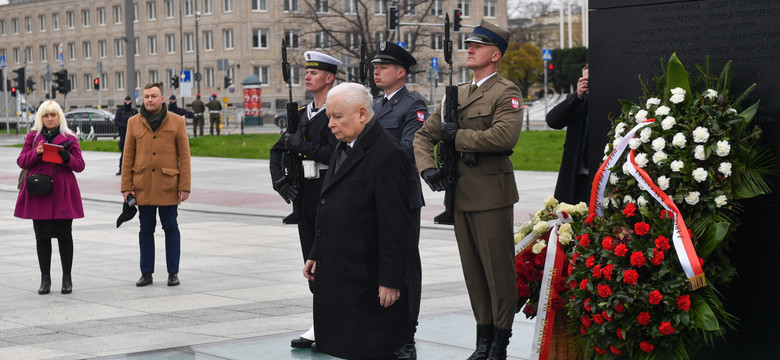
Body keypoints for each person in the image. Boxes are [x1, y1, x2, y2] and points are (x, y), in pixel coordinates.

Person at [413, 19, 523, 360]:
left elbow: (504, 136)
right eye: (469, 44)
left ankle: (499, 343)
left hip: (491, 195)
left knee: (497, 272)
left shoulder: (506, 92)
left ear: (496, 54)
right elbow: (423, 135)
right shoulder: (458, 93)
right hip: (459, 195)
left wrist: (456, 137)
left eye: (478, 46)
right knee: (474, 274)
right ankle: (482, 341)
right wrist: (428, 168)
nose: (469, 49)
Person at [304, 82, 411, 360]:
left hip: (366, 279)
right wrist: (316, 252)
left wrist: (391, 279)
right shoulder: (346, 144)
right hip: (338, 271)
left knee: (367, 349)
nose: (330, 124)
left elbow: (396, 225)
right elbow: (330, 204)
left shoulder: (387, 154)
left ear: (362, 114)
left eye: (337, 117)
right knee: (339, 347)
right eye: (329, 116)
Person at [269, 50, 341, 350]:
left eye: (314, 72)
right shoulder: (300, 115)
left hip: (329, 191)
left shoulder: (336, 113)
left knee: (329, 259)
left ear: (329, 78)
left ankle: (335, 323)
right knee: (309, 261)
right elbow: (278, 150)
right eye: (306, 71)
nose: (307, 76)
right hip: (304, 196)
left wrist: (302, 146)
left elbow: (336, 154)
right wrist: (280, 181)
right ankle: (320, 322)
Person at [371, 40, 427, 360]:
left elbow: (410, 150)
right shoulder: (375, 105)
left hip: (401, 197)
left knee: (404, 264)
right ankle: (384, 327)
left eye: (384, 66)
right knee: (379, 262)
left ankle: (407, 332)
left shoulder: (413, 105)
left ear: (401, 72)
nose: (376, 71)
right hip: (374, 197)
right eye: (376, 66)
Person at [121, 83, 191, 287]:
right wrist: (126, 186)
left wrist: (184, 186)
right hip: (143, 186)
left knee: (171, 228)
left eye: (154, 96)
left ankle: (173, 272)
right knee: (146, 229)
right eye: (147, 96)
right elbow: (128, 157)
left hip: (169, 185)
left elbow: (184, 157)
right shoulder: (134, 122)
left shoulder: (177, 122)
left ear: (162, 99)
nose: (150, 100)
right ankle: (146, 273)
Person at [15, 100, 85, 295]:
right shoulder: (33, 136)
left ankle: (67, 278)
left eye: (53, 115)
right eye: (46, 115)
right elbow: (21, 161)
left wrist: (67, 158)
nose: (50, 119)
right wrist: (36, 153)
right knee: (42, 237)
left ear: (59, 117)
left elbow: (80, 165)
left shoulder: (69, 137)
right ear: (41, 118)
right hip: (40, 192)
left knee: (65, 236)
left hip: (63, 192)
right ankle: (45, 279)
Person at [546, 64, 591, 204]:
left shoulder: (610, 100)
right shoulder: (578, 101)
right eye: (585, 80)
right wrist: (577, 96)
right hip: (576, 178)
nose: (588, 84)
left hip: (600, 177)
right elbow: (553, 121)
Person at [114, 96, 138, 176]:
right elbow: (116, 122)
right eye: (126, 100)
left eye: (129, 101)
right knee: (123, 153)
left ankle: (134, 169)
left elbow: (138, 122)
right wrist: (125, 125)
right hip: (123, 135)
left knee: (135, 153)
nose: (127, 102)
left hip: (133, 135)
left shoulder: (134, 111)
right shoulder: (121, 111)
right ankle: (121, 169)